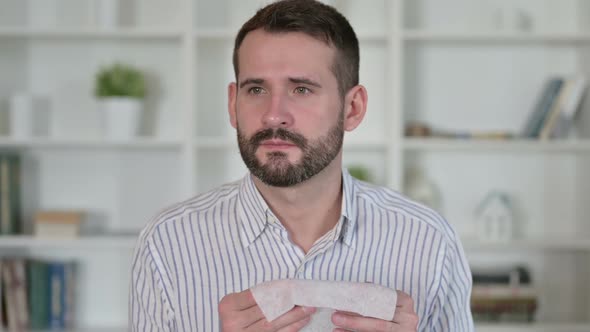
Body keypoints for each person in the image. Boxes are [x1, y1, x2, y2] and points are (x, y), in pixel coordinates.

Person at [129, 0, 474, 331]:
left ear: (352, 108)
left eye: (302, 90)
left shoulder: (429, 242)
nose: (274, 114)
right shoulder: (168, 243)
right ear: (233, 103)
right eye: (256, 89)